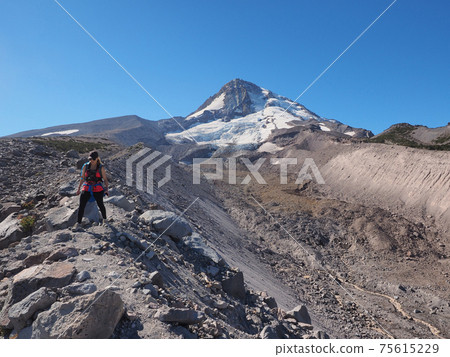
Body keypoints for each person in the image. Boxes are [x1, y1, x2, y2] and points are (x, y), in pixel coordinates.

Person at [75, 151, 109, 226]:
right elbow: (82, 177)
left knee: (100, 204)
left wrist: (106, 189)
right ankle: (78, 223)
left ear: (97, 158)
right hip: (87, 187)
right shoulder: (85, 166)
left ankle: (105, 220)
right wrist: (78, 188)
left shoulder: (101, 167)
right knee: (81, 205)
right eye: (90, 159)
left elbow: (105, 179)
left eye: (93, 159)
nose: (91, 161)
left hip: (98, 188)